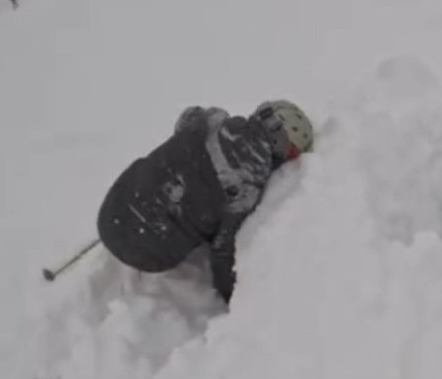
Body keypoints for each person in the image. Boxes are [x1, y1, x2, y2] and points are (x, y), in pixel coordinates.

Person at [96, 101, 313, 305]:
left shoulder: (212, 120)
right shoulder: (246, 191)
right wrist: (234, 298)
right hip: (149, 256)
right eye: (292, 154)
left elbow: (187, 117)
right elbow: (222, 251)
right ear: (281, 146)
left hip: (111, 211)